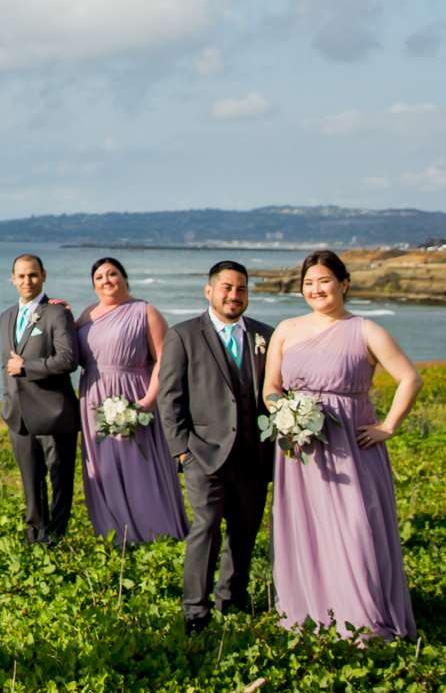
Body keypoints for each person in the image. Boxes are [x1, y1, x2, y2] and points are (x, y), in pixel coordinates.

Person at [264, 249, 421, 640]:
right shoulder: (286, 329)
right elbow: (271, 387)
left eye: (324, 281)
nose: (316, 289)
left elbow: (410, 378)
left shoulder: (366, 330)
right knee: (308, 528)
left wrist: (388, 426)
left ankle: (363, 617)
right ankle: (311, 610)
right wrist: (286, 415)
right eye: (308, 283)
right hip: (302, 449)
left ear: (344, 284)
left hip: (352, 448)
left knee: (355, 528)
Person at [156, 260, 275, 628]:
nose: (234, 295)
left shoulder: (265, 335)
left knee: (245, 530)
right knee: (205, 527)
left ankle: (232, 598)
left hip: (254, 455)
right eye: (227, 287)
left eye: (241, 289)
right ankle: (196, 609)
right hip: (203, 453)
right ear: (209, 291)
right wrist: (182, 451)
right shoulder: (184, 335)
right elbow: (169, 397)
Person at [74, 256, 187, 545]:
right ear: (93, 285)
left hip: (134, 395)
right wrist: (55, 312)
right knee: (103, 468)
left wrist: (148, 400)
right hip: (93, 401)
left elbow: (165, 360)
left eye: (112, 274)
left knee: (140, 467)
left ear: (124, 277)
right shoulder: (87, 315)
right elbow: (69, 352)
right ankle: (114, 532)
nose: (106, 281)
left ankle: (155, 532)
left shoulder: (144, 311)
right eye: (99, 277)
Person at [0, 253, 81, 545]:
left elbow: (69, 359)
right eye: (21, 276)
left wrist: (27, 368)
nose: (27, 281)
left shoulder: (57, 313)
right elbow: (6, 365)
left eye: (32, 275)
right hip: (18, 416)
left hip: (54, 413)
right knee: (31, 483)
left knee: (60, 481)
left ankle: (56, 538)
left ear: (43, 275)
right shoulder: (7, 316)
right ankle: (34, 535)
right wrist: (7, 403)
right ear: (12, 279)